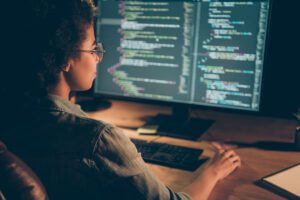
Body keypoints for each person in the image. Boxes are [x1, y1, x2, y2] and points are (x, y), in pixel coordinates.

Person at [0, 0, 241, 199]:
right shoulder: (99, 139)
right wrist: (213, 171)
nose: (97, 57)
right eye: (93, 48)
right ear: (64, 60)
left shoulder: (10, 118)